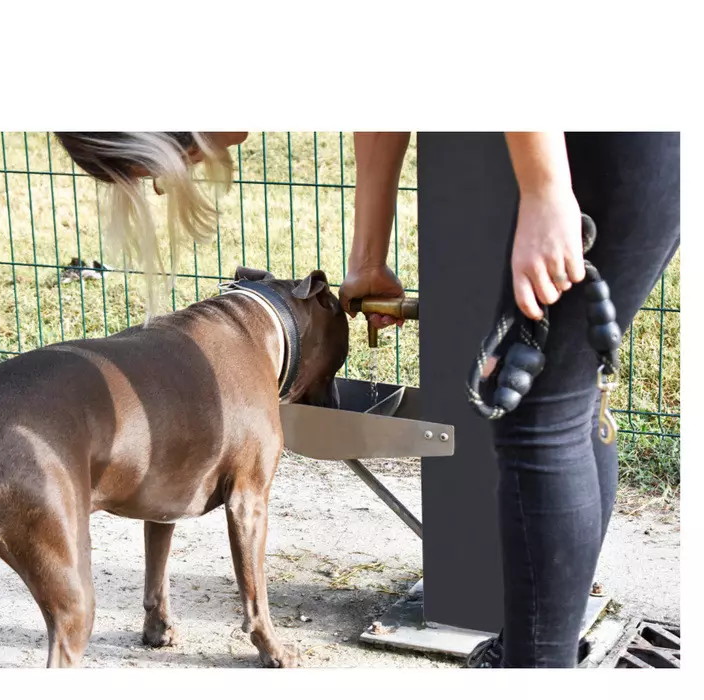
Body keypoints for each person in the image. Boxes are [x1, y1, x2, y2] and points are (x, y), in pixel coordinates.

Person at [55, 130, 680, 668]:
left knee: (542, 417)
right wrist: (368, 254)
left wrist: (546, 191)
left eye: (169, 163)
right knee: (556, 406)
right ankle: (534, 646)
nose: (171, 186)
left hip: (606, 144)